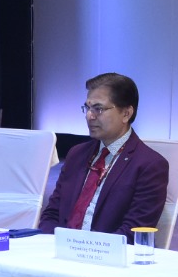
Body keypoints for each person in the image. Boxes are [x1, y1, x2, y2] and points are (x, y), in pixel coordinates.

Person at [39, 72, 170, 241]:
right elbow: (52, 214)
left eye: (98, 109)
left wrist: (85, 248)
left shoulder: (149, 165)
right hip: (61, 249)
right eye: (87, 108)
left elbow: (134, 231)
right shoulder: (77, 154)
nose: (89, 116)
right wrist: (52, 243)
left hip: (107, 253)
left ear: (126, 114)